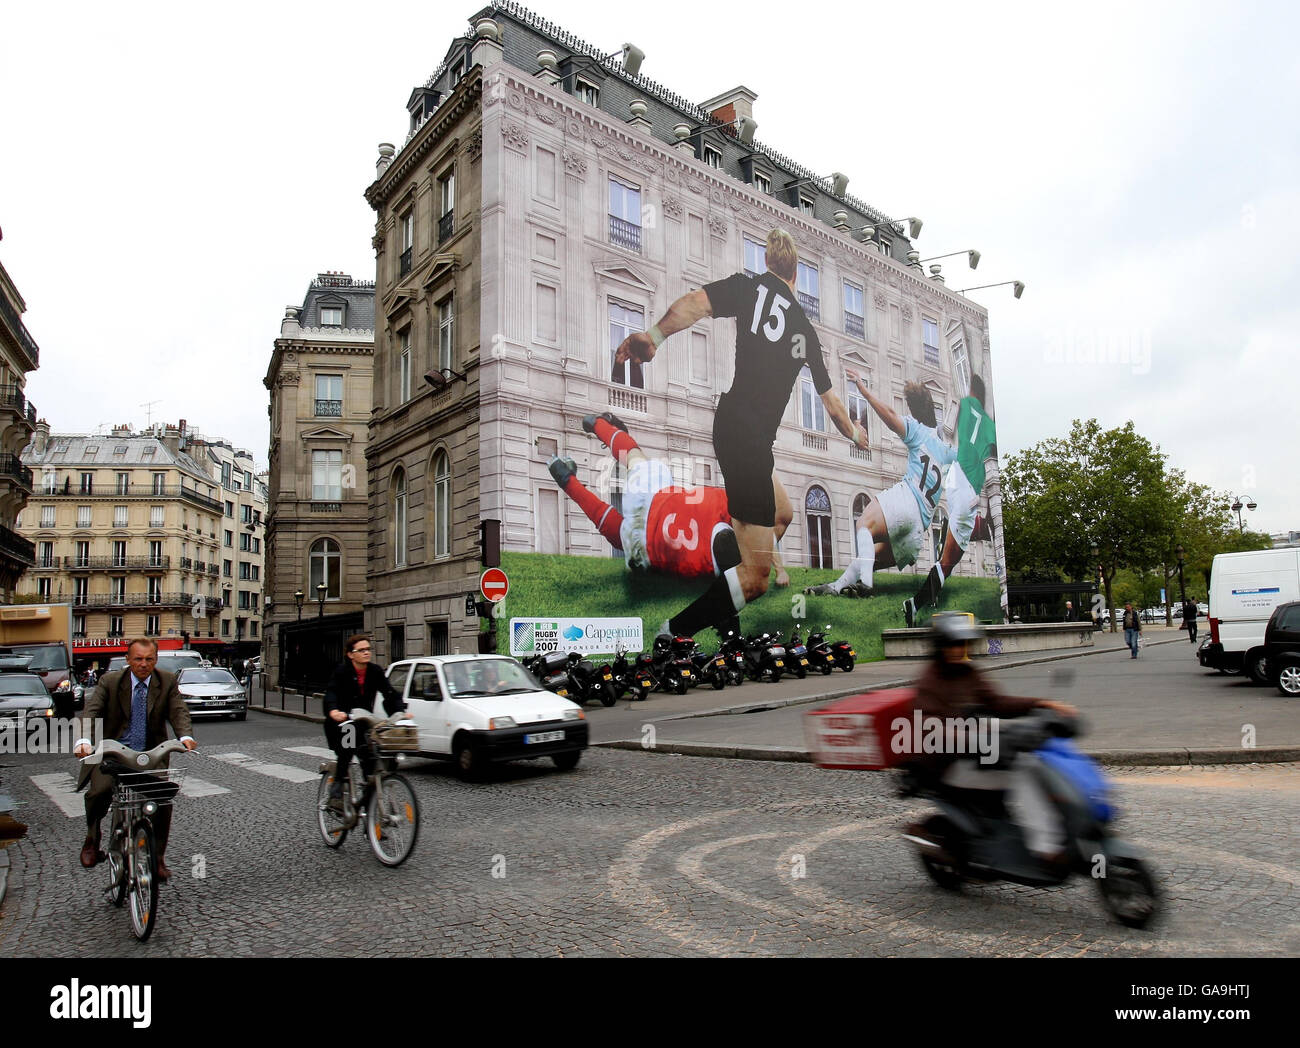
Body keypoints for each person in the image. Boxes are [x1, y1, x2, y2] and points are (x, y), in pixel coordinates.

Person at [614, 228, 868, 637]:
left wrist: (654, 337)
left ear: (766, 262)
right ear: (796, 273)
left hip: (735, 426)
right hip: (748, 443)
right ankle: (674, 631)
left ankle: (728, 570)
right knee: (756, 579)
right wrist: (857, 437)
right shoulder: (804, 330)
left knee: (782, 512)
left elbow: (695, 304)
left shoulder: (747, 289)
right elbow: (833, 407)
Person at [906, 614, 1078, 866]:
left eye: (962, 644)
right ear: (940, 647)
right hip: (947, 764)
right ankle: (1047, 848)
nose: (958, 650)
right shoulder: (930, 683)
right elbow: (932, 729)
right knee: (1023, 770)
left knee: (1038, 762)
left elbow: (998, 703)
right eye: (953, 644)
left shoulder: (967, 672)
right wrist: (977, 739)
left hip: (974, 753)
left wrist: (1042, 704)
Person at [806, 376, 955, 598]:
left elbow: (891, 416)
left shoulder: (917, 430)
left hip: (906, 503)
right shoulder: (947, 451)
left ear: (914, 410)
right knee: (868, 559)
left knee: (863, 524)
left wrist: (865, 393)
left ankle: (866, 584)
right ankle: (835, 587)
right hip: (917, 533)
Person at [547, 412, 740, 581]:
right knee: (620, 533)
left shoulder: (729, 505)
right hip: (646, 552)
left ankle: (599, 424)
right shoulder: (713, 571)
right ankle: (566, 479)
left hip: (654, 499)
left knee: (634, 456)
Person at [73, 638, 196, 880]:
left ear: (156, 660)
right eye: (138, 659)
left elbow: (178, 710)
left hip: (150, 755)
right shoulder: (110, 681)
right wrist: (83, 741)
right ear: (128, 660)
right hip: (113, 753)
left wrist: (185, 736)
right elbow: (92, 711)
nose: (143, 664)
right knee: (100, 791)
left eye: (149, 659)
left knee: (163, 799)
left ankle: (158, 857)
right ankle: (92, 838)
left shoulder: (167, 681)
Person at [902, 374, 997, 625]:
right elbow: (990, 458)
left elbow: (944, 430)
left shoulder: (961, 404)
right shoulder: (988, 423)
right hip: (968, 488)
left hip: (953, 475)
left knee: (965, 533)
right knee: (948, 563)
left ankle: (956, 530)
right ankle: (913, 605)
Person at [322, 635, 408, 810]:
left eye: (368, 649)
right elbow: (331, 693)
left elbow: (389, 694)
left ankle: (370, 810)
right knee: (348, 745)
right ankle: (337, 789)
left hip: (364, 722)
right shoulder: (341, 672)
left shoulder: (375, 671)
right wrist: (333, 711)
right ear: (350, 654)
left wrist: (400, 711)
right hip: (342, 723)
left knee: (372, 760)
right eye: (361, 650)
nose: (366, 653)